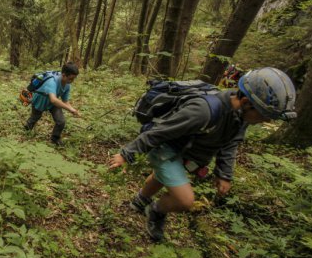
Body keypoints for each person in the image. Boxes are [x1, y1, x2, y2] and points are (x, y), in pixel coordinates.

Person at [109, 67, 297, 242]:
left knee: (161, 177)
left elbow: (230, 142)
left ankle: (140, 201)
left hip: (186, 152)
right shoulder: (203, 111)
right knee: (185, 200)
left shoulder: (240, 116)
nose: (265, 120)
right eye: (264, 115)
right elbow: (160, 132)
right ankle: (156, 211)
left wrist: (224, 173)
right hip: (166, 149)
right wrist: (127, 154)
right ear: (247, 103)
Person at [24, 62, 81, 147]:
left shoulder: (67, 85)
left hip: (53, 103)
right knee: (35, 117)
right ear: (64, 75)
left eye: (74, 79)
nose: (72, 81)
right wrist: (69, 109)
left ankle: (55, 138)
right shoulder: (52, 82)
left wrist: (73, 110)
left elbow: (65, 101)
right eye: (71, 79)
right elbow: (53, 100)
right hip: (40, 101)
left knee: (61, 121)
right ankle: (26, 130)